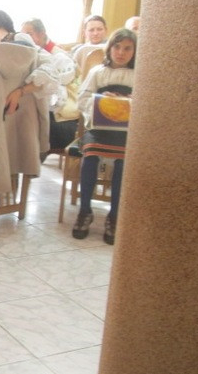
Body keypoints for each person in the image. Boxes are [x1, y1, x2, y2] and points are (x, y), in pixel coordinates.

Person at [72, 28, 137, 245]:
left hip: (126, 132)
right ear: (110, 48)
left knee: (123, 163)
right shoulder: (98, 72)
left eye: (127, 48)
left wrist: (131, 101)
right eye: (117, 47)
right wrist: (101, 101)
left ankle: (114, 216)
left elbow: (148, 103)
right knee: (90, 157)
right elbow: (83, 99)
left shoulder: (139, 75)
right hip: (98, 129)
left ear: (135, 51)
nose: (121, 52)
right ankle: (85, 211)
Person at [21, 18, 79, 153]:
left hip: (60, 114)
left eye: (29, 34)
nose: (25, 38)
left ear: (41, 34)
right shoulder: (29, 52)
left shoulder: (59, 56)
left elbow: (62, 80)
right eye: (22, 35)